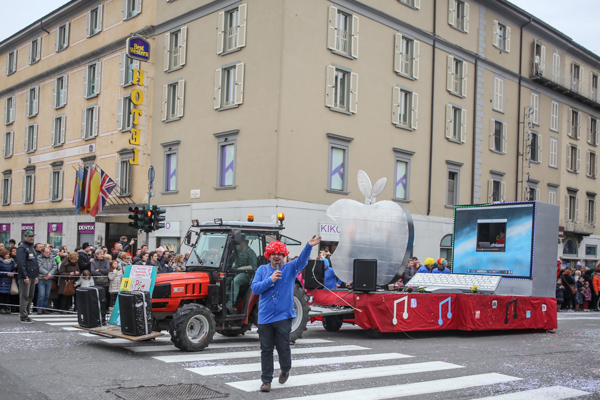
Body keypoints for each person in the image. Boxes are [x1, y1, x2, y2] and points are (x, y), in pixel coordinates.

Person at [251, 235, 321, 392]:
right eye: (274, 253)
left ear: (284, 255)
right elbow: (255, 288)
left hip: (283, 316)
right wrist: (270, 279)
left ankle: (285, 369)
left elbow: (302, 261)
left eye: (280, 254)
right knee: (266, 349)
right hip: (265, 317)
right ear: (269, 255)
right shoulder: (262, 270)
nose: (277, 256)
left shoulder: (289, 268)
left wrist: (308, 246)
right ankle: (266, 381)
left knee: (283, 347)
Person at [227, 239, 258, 311]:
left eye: (237, 243)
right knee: (225, 279)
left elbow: (253, 267)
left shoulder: (251, 253)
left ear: (243, 242)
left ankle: (230, 304)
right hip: (235, 272)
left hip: (247, 275)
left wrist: (240, 268)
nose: (235, 245)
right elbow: (229, 262)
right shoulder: (236, 253)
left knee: (236, 281)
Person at [16, 230, 39, 323]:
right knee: (24, 296)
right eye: (29, 236)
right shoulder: (22, 248)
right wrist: (25, 276)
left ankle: (27, 313)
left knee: (30, 296)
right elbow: (21, 263)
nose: (31, 238)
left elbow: (34, 262)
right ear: (25, 237)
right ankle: (23, 315)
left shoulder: (31, 247)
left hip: (32, 275)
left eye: (32, 236)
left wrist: (36, 275)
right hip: (26, 276)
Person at [37, 246, 58, 315]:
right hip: (41, 278)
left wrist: (50, 274)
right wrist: (46, 273)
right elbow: (39, 267)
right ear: (42, 252)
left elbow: (55, 266)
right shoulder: (39, 258)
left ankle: (44, 308)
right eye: (46, 252)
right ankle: (39, 308)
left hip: (49, 278)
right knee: (41, 294)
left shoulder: (51, 258)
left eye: (49, 252)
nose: (48, 254)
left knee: (47, 294)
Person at [0, 250, 16, 314]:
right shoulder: (1, 262)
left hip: (9, 280)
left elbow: (14, 269)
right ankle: (2, 308)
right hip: (2, 280)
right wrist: (6, 274)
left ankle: (6, 307)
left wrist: (13, 273)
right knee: (2, 294)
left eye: (8, 254)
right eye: (6, 254)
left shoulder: (12, 262)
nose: (8, 255)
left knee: (7, 295)